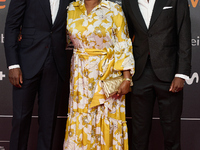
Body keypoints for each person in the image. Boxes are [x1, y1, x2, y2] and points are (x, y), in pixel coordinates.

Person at [63, 0, 135, 149]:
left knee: (107, 116)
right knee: (81, 116)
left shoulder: (113, 9)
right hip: (80, 75)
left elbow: (123, 44)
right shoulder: (71, 8)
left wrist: (127, 78)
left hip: (107, 74)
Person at [122, 0, 191, 149]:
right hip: (139, 73)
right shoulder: (128, 2)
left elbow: (184, 35)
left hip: (169, 74)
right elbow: (125, 37)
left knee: (171, 132)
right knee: (138, 134)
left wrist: (181, 74)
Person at [4, 0, 71, 149]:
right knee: (20, 119)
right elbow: (12, 26)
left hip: (56, 63)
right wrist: (13, 64)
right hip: (27, 63)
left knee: (49, 122)